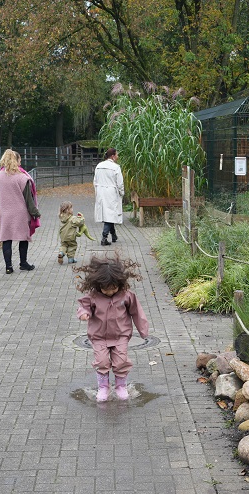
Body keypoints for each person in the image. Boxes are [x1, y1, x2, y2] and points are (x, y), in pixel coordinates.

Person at [75, 254, 149, 402]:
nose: (109, 292)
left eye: (113, 289)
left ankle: (121, 386)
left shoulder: (126, 296)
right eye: (105, 289)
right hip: (99, 336)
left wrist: (143, 330)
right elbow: (84, 306)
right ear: (98, 285)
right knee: (102, 361)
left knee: (121, 361)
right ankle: (103, 386)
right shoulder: (94, 296)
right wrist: (84, 314)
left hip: (120, 335)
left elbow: (137, 312)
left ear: (119, 283)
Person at [0, 149, 39, 274]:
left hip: (3, 213)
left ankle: (8, 267)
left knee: (6, 239)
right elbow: (29, 199)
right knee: (23, 238)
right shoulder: (22, 178)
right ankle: (23, 263)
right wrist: (35, 212)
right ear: (16, 161)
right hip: (20, 213)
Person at [93, 147, 124, 246]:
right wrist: (121, 193)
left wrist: (97, 191)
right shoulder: (116, 167)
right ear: (113, 156)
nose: (118, 156)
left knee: (108, 214)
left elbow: (95, 181)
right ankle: (104, 237)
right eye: (117, 154)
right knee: (110, 215)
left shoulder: (99, 166)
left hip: (101, 192)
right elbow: (120, 183)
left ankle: (114, 235)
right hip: (111, 193)